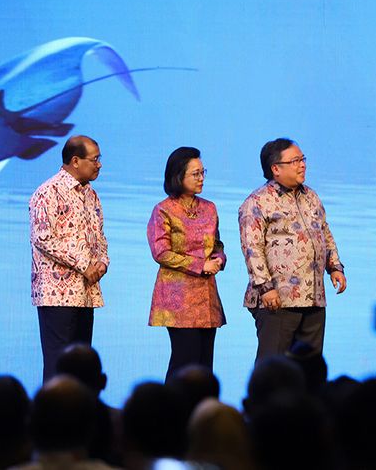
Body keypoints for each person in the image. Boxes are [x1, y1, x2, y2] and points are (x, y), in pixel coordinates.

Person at [238, 138, 346, 364]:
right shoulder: (257, 202)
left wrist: (334, 267)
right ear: (275, 169)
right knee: (274, 367)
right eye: (295, 161)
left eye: (303, 159)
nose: (302, 165)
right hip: (278, 300)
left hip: (313, 296)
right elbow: (252, 247)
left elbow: (325, 233)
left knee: (310, 366)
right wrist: (266, 288)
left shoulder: (311, 196)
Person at [29, 135, 109, 383]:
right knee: (58, 364)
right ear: (75, 161)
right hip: (57, 294)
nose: (99, 164)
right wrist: (84, 265)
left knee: (83, 366)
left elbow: (100, 236)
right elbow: (42, 238)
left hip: (85, 293)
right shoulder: (47, 192)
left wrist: (102, 263)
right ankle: (52, 418)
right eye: (94, 159)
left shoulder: (91, 195)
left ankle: (82, 418)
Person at [147, 147, 226, 382]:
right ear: (178, 175)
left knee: (204, 364)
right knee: (185, 360)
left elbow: (218, 246)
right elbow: (161, 252)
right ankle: (171, 414)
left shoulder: (209, 208)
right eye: (196, 174)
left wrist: (219, 260)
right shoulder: (163, 210)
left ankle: (202, 415)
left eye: (203, 173)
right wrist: (200, 265)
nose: (202, 178)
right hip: (178, 300)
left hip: (206, 298)